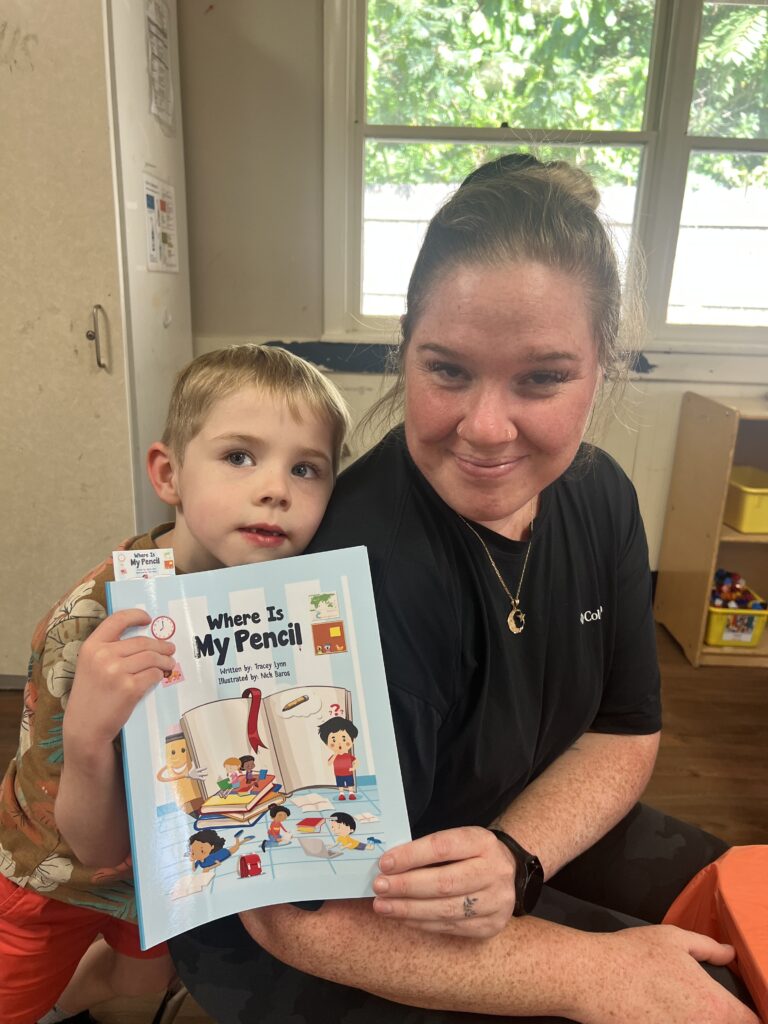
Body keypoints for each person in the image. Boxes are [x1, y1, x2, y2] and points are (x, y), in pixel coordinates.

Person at [168, 155, 760, 1024]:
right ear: (406, 350)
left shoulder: (601, 496)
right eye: (447, 370)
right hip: (316, 932)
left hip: (503, 819)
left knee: (745, 921)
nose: (486, 429)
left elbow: (623, 731)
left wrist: (517, 854)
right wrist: (591, 974)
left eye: (542, 378)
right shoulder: (340, 578)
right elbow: (292, 911)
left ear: (602, 367)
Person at [0, 344, 350, 1024]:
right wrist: (89, 737)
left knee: (139, 986)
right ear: (169, 474)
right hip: (58, 872)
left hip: (168, 868)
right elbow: (95, 847)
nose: (276, 489)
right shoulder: (93, 624)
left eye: (305, 468)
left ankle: (74, 998)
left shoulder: (283, 598)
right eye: (239, 456)